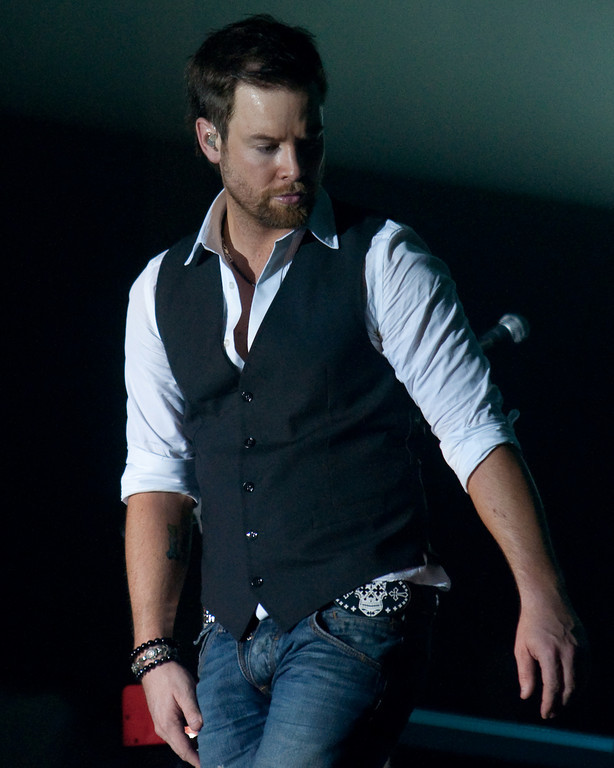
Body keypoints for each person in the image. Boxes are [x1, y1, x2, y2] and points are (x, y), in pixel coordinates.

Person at [122, 14, 583, 768]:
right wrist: (153, 652)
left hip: (357, 616)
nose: (295, 168)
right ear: (210, 140)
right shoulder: (158, 291)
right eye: (266, 147)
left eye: (309, 142)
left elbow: (473, 430)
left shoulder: (386, 259)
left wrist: (542, 593)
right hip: (227, 641)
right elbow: (156, 477)